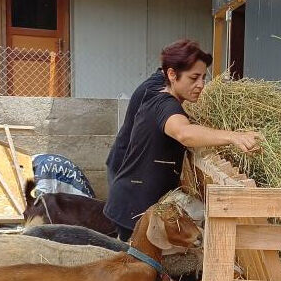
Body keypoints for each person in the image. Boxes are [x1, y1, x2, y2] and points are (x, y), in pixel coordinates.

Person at [105, 39, 262, 241]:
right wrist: (233, 136)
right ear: (171, 75)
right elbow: (184, 133)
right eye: (194, 78)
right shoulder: (166, 106)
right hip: (135, 209)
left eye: (203, 77)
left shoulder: (161, 97)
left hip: (133, 202)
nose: (201, 85)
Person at [105, 69, 166, 188]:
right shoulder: (155, 89)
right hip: (125, 166)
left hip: (126, 163)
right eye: (192, 77)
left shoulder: (156, 83)